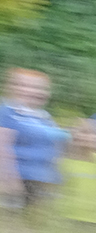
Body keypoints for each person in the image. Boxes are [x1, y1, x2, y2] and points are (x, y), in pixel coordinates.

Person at [0, 67, 68, 210]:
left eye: (39, 88)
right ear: (11, 87)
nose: (32, 91)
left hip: (41, 180)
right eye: (24, 85)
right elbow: (3, 146)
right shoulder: (7, 113)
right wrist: (8, 179)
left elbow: (55, 148)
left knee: (34, 225)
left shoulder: (44, 117)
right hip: (17, 180)